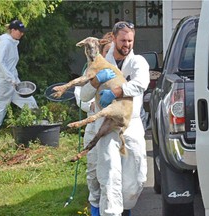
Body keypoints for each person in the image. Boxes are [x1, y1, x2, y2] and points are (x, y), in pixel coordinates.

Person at [80, 21, 150, 216]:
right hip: (106, 125)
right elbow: (84, 95)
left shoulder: (138, 62)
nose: (126, 44)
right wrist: (96, 81)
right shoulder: (99, 63)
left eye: (130, 40)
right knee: (108, 175)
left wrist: (117, 91)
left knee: (136, 180)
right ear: (113, 37)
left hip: (131, 123)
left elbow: (140, 83)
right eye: (122, 40)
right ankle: (109, 213)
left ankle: (124, 209)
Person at [74, 32, 114, 216]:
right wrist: (88, 104)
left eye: (108, 50)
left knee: (114, 174)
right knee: (94, 171)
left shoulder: (116, 70)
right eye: (104, 50)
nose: (105, 54)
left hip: (113, 126)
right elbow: (80, 95)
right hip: (93, 124)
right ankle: (95, 209)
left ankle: (121, 210)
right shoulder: (90, 69)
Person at [0, 20, 38, 140]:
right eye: (20, 31)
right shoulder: (5, 43)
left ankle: (36, 134)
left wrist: (16, 81)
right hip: (2, 83)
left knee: (30, 103)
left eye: (23, 32)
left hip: (13, 83)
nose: (21, 34)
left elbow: (11, 66)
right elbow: (2, 63)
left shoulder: (13, 43)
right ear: (12, 30)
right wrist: (10, 78)